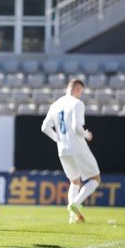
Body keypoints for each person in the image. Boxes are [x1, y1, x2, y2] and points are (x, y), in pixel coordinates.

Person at [41, 79, 101, 223]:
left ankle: (72, 217)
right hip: (78, 146)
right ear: (78, 89)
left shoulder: (55, 104)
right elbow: (77, 128)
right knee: (95, 179)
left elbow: (44, 127)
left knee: (75, 182)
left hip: (62, 149)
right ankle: (75, 203)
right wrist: (87, 135)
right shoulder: (77, 103)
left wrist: (58, 139)